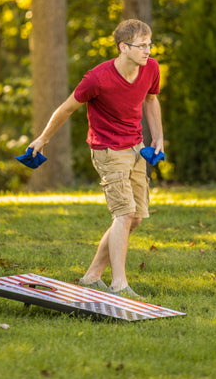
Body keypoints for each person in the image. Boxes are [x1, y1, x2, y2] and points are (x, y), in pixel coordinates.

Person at [28, 19, 164, 300]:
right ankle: (119, 285)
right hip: (107, 150)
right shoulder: (97, 78)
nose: (148, 51)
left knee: (135, 218)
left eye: (150, 44)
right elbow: (66, 109)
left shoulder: (150, 68)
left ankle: (91, 277)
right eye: (142, 45)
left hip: (136, 148)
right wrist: (42, 139)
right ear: (123, 47)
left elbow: (150, 100)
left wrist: (158, 137)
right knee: (123, 214)